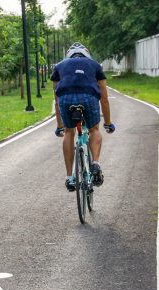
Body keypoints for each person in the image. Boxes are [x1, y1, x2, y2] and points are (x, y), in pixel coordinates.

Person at [50, 42, 115, 192]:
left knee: (69, 132)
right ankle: (96, 163)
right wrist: (108, 123)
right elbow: (104, 97)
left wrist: (60, 126)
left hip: (66, 99)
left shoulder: (59, 66)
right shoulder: (95, 65)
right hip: (88, 98)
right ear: (87, 54)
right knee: (94, 130)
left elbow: (57, 99)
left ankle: (70, 178)